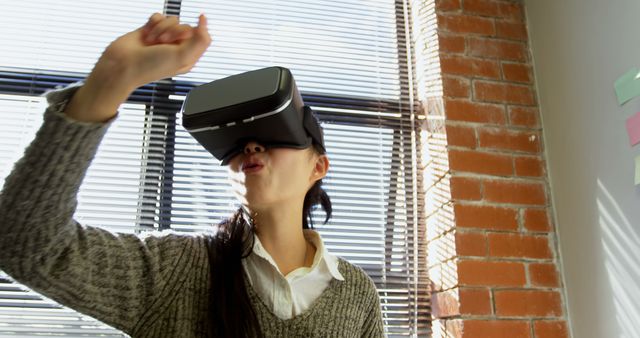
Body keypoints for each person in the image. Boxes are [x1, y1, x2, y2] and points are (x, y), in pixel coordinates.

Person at [0, 12, 385, 338]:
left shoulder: (357, 295)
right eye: (236, 142)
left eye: (274, 134)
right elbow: (28, 245)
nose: (250, 147)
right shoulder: (176, 269)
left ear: (318, 167)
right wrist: (111, 81)